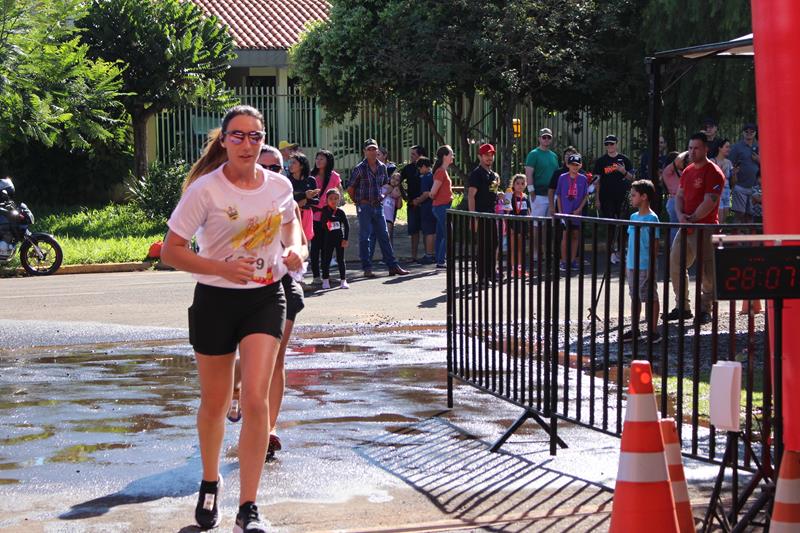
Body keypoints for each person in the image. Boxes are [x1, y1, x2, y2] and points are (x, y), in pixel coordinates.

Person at [161, 105, 306, 532]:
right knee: (215, 401)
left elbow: (291, 226)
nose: (247, 144)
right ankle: (210, 481)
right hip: (215, 301)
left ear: (264, 142)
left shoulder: (278, 185)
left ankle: (249, 507)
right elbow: (171, 250)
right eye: (238, 136)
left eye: (255, 136)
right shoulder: (206, 190)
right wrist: (221, 268)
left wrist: (295, 250)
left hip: (265, 297)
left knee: (256, 398)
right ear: (223, 140)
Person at [665, 132, 724, 324]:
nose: (692, 151)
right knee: (676, 263)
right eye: (690, 148)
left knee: (707, 270)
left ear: (706, 149)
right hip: (686, 225)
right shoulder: (688, 170)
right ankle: (682, 307)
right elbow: (679, 195)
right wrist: (682, 216)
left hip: (705, 227)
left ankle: (705, 308)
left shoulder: (714, 172)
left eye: (696, 148)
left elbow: (710, 201)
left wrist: (692, 218)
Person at [346, 138, 409, 278]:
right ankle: (367, 267)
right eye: (369, 149)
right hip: (365, 205)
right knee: (365, 237)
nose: (373, 151)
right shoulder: (359, 168)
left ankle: (392, 266)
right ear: (364, 152)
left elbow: (383, 184)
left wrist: (381, 196)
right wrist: (358, 202)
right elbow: (350, 188)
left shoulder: (382, 167)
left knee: (384, 236)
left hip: (378, 205)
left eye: (374, 149)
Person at [623, 180, 661, 344]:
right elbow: (630, 242)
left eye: (634, 195)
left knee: (650, 296)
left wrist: (652, 265)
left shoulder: (653, 219)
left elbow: (655, 244)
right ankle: (635, 329)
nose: (631, 198)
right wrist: (626, 262)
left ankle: (653, 331)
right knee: (635, 297)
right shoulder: (633, 217)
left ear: (644, 197)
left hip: (645, 264)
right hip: (632, 264)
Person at [593, 134, 634, 264]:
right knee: (610, 226)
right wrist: (597, 199)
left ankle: (621, 252)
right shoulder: (601, 161)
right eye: (607, 144)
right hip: (606, 197)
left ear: (616, 144)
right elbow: (597, 181)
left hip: (622, 197)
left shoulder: (625, 159)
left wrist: (623, 172)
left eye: (612, 143)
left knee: (623, 226)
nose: (610, 146)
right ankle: (611, 253)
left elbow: (633, 179)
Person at [468, 143, 501, 283]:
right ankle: (481, 276)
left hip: (492, 214)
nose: (489, 157)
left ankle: (491, 273)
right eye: (486, 155)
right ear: (479, 156)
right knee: (483, 245)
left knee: (493, 244)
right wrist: (474, 216)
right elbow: (471, 195)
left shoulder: (493, 174)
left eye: (491, 154)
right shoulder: (476, 174)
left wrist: (499, 194)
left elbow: (491, 192)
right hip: (481, 214)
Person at [309, 150, 341, 284]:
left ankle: (326, 275)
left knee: (328, 246)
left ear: (328, 161)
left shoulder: (334, 176)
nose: (318, 161)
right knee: (315, 246)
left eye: (322, 159)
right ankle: (316, 276)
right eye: (317, 158)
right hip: (314, 216)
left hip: (329, 216)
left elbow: (340, 192)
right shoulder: (311, 176)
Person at [555, 153, 589, 271]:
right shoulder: (562, 177)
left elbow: (585, 196)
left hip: (576, 213)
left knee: (575, 235)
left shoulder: (583, 178)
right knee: (565, 235)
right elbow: (558, 195)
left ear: (580, 165)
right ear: (567, 165)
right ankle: (564, 261)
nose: (574, 167)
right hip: (565, 211)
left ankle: (572, 260)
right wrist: (560, 211)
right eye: (572, 164)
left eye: (577, 164)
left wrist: (579, 209)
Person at [288, 152, 320, 250]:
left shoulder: (311, 180)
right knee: (292, 240)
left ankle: (305, 261)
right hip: (292, 214)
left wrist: (306, 200)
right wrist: (304, 195)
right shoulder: (287, 181)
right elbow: (287, 200)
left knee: (306, 241)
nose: (290, 165)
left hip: (307, 214)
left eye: (294, 163)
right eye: (290, 163)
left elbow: (316, 201)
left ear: (301, 166)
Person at [429, 145, 454, 269]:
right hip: (441, 207)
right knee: (448, 233)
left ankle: (440, 260)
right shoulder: (441, 171)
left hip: (441, 206)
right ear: (445, 156)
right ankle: (441, 260)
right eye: (451, 154)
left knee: (440, 234)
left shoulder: (442, 171)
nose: (452, 156)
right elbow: (433, 192)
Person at [524, 127, 559, 216]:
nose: (546, 139)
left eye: (549, 137)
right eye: (544, 137)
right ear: (539, 138)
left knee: (549, 223)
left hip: (552, 195)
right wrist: (532, 192)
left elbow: (556, 175)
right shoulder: (533, 154)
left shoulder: (554, 156)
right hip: (538, 194)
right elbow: (528, 174)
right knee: (537, 223)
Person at [729, 123, 760, 222]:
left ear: (755, 133)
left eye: (752, 131)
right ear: (743, 133)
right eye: (746, 131)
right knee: (739, 214)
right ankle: (736, 236)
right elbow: (730, 164)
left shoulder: (759, 146)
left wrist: (759, 160)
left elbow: (768, 165)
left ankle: (749, 237)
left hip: (755, 187)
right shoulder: (736, 147)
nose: (749, 133)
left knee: (751, 215)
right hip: (740, 185)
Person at [401, 145, 427, 263]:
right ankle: (414, 256)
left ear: (420, 155)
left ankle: (428, 254)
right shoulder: (408, 168)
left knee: (427, 230)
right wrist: (404, 196)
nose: (411, 156)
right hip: (412, 203)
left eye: (413, 154)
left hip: (426, 203)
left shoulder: (427, 167)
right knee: (413, 231)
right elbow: (398, 180)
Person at [320, 189, 350, 289]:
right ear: (327, 200)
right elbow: (324, 223)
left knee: (341, 259)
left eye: (336, 198)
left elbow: (346, 225)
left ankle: (343, 280)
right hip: (328, 239)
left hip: (339, 239)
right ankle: (325, 280)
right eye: (331, 198)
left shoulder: (341, 212)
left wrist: (345, 238)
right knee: (326, 260)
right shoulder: (325, 210)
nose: (334, 201)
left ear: (339, 200)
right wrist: (333, 219)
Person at [506, 174, 532, 276]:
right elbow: (506, 210)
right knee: (513, 247)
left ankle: (520, 268)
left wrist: (529, 224)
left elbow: (529, 211)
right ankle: (513, 269)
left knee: (521, 248)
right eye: (517, 183)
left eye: (522, 183)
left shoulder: (526, 197)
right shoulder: (510, 195)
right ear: (513, 184)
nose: (520, 186)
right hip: (513, 224)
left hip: (523, 224)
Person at [661, 150, 688, 245]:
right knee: (675, 227)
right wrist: (690, 150)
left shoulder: (683, 172)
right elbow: (678, 160)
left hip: (683, 201)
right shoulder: (667, 172)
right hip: (674, 201)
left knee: (683, 227)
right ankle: (673, 250)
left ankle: (681, 250)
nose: (683, 162)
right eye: (682, 161)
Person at [413, 157, 437, 264]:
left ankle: (429, 254)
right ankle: (434, 253)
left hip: (427, 207)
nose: (419, 171)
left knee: (429, 232)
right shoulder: (433, 176)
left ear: (423, 167)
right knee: (434, 230)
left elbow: (426, 193)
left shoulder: (425, 178)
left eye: (419, 168)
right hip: (434, 206)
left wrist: (417, 201)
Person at [548, 146, 578, 215]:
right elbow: (551, 190)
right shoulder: (558, 173)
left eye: (571, 155)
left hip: (576, 207)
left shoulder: (581, 173)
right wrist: (552, 207)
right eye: (567, 155)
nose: (568, 157)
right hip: (561, 206)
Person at [714, 139, 733, 223]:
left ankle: (719, 235)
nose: (729, 149)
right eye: (727, 147)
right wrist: (720, 170)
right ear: (720, 148)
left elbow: (733, 182)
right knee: (719, 219)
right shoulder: (712, 161)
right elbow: (711, 179)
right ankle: (714, 235)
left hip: (727, 192)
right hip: (717, 192)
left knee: (724, 220)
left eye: (730, 147)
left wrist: (735, 173)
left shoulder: (729, 162)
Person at [381, 172, 404, 244]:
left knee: (388, 237)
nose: (394, 181)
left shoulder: (397, 192)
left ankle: (389, 254)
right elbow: (379, 198)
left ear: (399, 183)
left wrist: (399, 196)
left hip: (389, 217)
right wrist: (388, 191)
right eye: (393, 178)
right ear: (390, 178)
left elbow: (399, 206)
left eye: (397, 180)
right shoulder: (384, 187)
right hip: (380, 215)